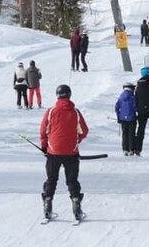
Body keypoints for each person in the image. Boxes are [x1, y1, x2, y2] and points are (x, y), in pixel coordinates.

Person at [39, 84, 89, 222]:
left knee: (51, 179)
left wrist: (44, 146)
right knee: (72, 180)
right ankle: (76, 207)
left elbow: (43, 131)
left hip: (53, 151)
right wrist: (76, 141)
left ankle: (47, 206)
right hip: (71, 152)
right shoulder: (76, 112)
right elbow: (84, 131)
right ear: (69, 95)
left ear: (57, 95)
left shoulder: (50, 111)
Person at [115, 82, 138, 156]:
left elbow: (117, 107)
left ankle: (125, 149)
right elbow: (135, 107)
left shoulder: (121, 96)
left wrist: (119, 117)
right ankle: (131, 149)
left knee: (124, 134)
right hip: (132, 118)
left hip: (123, 119)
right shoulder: (132, 96)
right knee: (132, 134)